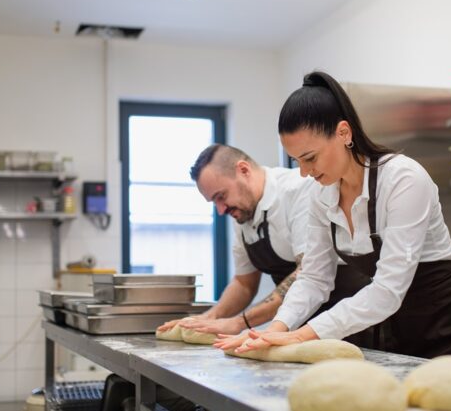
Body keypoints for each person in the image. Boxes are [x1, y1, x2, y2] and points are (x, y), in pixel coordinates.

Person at [214, 71, 451, 364]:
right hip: (402, 333)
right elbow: (314, 278)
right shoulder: (321, 195)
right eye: (296, 161)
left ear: (344, 133)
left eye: (310, 158)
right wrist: (273, 331)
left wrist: (301, 335)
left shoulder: (403, 179)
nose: (304, 172)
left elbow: (388, 289)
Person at [158, 144, 372, 346]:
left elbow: (307, 272)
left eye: (221, 197)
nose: (221, 210)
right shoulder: (242, 213)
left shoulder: (297, 191)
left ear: (243, 170)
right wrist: (206, 319)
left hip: (347, 320)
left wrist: (240, 322)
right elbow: (244, 284)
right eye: (214, 202)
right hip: (295, 323)